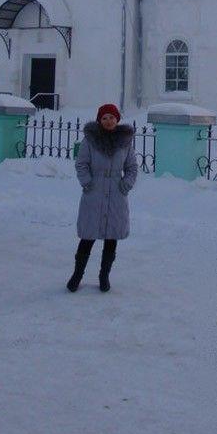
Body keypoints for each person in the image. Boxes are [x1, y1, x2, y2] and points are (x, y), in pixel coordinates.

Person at [67, 103, 138, 293]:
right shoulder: (90, 141)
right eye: (105, 118)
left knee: (111, 238)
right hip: (94, 194)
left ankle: (104, 276)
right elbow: (81, 164)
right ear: (99, 120)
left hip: (116, 195)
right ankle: (77, 275)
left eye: (112, 118)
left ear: (117, 120)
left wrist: (125, 185)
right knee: (87, 237)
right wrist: (87, 182)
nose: (108, 121)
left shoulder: (125, 142)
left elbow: (132, 167)